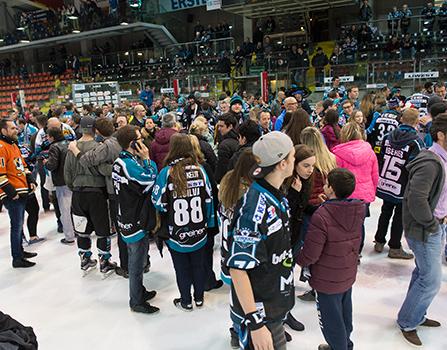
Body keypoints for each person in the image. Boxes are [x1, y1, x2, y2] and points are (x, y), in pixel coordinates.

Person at [225, 131, 296, 350]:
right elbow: (238, 268)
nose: (295, 161)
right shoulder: (253, 208)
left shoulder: (275, 194)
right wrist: (255, 323)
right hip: (261, 313)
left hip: (275, 301)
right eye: (293, 157)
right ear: (282, 163)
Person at [297, 168, 365, 350]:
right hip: (347, 273)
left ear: (331, 188)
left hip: (326, 279)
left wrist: (299, 259)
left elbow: (311, 253)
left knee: (330, 321)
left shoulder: (322, 216)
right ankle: (345, 344)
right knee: (344, 314)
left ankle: (338, 346)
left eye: (326, 183)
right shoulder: (357, 209)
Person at [397, 114, 447, 346]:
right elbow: (416, 199)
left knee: (422, 274)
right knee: (431, 280)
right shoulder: (430, 162)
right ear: (440, 135)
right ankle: (408, 320)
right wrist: (431, 224)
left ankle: (416, 313)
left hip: (436, 225)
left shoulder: (441, 159)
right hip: (426, 229)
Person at [152, 133, 215, 311]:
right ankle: (200, 298)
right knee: (198, 265)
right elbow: (209, 200)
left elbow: (158, 202)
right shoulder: (200, 170)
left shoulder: (167, 173)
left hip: (176, 233)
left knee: (181, 268)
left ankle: (186, 300)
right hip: (199, 231)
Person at [112, 125, 159, 314]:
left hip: (127, 215)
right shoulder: (128, 164)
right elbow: (150, 179)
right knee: (136, 262)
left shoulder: (122, 160)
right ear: (133, 143)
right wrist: (148, 160)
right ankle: (136, 301)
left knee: (137, 258)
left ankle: (139, 290)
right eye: (139, 138)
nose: (143, 141)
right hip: (133, 219)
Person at [68, 118, 124, 276]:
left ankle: (85, 259)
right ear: (95, 130)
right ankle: (104, 262)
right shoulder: (100, 147)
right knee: (102, 230)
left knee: (82, 229)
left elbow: (67, 174)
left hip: (78, 193)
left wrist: (75, 187)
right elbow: (104, 170)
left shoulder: (72, 147)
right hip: (97, 194)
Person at [219, 148, 258, 348]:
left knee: (236, 296)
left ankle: (236, 329)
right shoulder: (250, 193)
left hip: (227, 252)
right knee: (244, 297)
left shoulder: (228, 181)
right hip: (241, 254)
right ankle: (239, 330)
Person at [374, 108, 425, 259]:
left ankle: (379, 240)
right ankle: (395, 247)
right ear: (416, 122)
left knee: (385, 211)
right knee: (399, 216)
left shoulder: (388, 137)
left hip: (386, 181)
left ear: (401, 119)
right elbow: (415, 166)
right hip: (402, 185)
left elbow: (382, 156)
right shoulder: (415, 142)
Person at [332, 122, 378, 255]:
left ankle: (343, 251)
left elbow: (335, 176)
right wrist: (372, 192)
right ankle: (357, 252)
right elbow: (375, 175)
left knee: (342, 225)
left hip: (344, 195)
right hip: (364, 196)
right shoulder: (369, 152)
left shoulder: (337, 154)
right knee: (359, 224)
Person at [0, 118, 38, 268]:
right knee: (16, 226)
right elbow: (0, 174)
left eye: (16, 128)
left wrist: (31, 180)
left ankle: (20, 252)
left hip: (22, 190)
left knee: (19, 224)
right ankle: (17, 258)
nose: (16, 130)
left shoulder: (13, 144)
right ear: (3, 131)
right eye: (12, 128)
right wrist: (11, 192)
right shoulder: (1, 147)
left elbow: (23, 166)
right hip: (13, 193)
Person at [45, 127, 74, 245]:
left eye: (48, 136)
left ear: (52, 137)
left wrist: (46, 163)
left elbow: (52, 165)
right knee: (75, 209)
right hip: (73, 180)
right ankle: (78, 231)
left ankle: (69, 236)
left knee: (65, 210)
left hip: (62, 181)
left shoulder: (54, 147)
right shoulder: (69, 144)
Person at [215, 113, 239, 183]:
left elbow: (222, 168)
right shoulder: (238, 140)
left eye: (222, 126)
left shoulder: (224, 145)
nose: (219, 129)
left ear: (230, 126)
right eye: (218, 126)